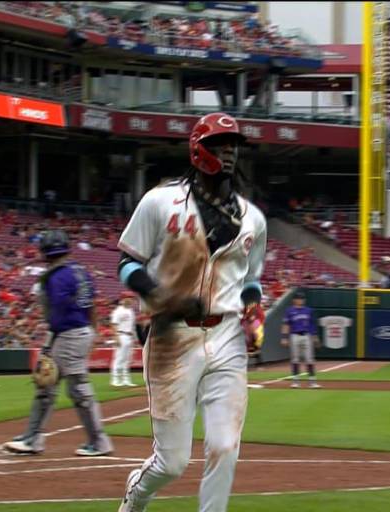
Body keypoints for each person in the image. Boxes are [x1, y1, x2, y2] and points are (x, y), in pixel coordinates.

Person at [116, 112, 267, 512]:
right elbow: (127, 263)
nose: (229, 152)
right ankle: (136, 495)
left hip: (227, 336)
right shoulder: (159, 202)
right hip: (172, 337)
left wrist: (254, 311)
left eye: (233, 145)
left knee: (224, 446)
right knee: (172, 462)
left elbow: (250, 280)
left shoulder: (253, 219)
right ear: (198, 149)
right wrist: (160, 295)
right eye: (219, 144)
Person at [2, 229, 113, 457]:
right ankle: (34, 438)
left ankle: (97, 442)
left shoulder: (55, 276)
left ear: (45, 251)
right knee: (52, 387)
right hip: (80, 331)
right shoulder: (81, 271)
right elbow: (91, 305)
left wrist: (50, 343)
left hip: (67, 333)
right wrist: (93, 332)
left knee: (71, 388)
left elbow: (57, 311)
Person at [281, 291, 321, 388]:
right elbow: (286, 325)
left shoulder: (308, 310)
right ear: (294, 300)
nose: (301, 300)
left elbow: (312, 325)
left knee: (309, 358)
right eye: (299, 298)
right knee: (295, 359)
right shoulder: (289, 311)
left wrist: (315, 337)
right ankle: (296, 382)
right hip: (294, 335)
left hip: (307, 336)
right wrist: (284, 337)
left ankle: (312, 382)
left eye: (302, 298)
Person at [110, 293, 137, 387]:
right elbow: (114, 325)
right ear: (123, 299)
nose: (131, 300)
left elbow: (132, 326)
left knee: (127, 359)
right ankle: (115, 380)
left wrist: (134, 338)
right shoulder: (118, 311)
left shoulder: (131, 311)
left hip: (129, 336)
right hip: (121, 335)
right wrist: (116, 337)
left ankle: (126, 380)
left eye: (132, 298)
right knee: (119, 358)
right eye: (129, 298)